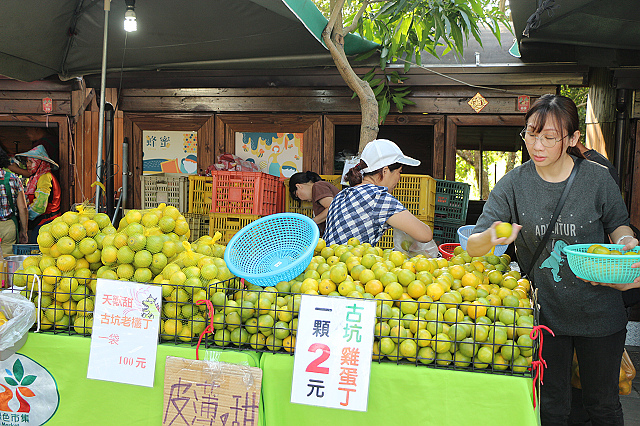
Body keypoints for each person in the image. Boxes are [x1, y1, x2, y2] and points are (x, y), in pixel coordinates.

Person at [466, 94, 640, 425]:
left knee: (602, 405)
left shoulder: (596, 178)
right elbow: (474, 245)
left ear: (573, 139)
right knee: (551, 407)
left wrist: (626, 242)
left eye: (549, 137)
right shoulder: (514, 184)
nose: (537, 144)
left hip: (601, 315)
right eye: (531, 133)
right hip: (546, 319)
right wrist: (491, 238)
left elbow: (619, 225)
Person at [323, 139, 433, 247]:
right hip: (351, 264)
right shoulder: (377, 197)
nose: (399, 178)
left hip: (327, 262)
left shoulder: (342, 195)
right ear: (385, 171)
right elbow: (425, 235)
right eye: (399, 172)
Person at [14, 145, 61, 243]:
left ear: (40, 163)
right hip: (40, 222)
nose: (28, 164)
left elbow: (39, 207)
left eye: (31, 162)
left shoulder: (45, 177)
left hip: (47, 223)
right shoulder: (36, 177)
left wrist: (23, 217)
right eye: (27, 161)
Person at [288, 172, 339, 236]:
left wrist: (310, 223)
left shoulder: (318, 186)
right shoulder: (318, 190)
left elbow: (332, 208)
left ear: (299, 186)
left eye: (297, 195)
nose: (301, 199)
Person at [0, 147, 28, 254]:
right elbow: (23, 208)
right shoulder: (13, 178)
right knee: (6, 260)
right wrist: (24, 231)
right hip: (8, 226)